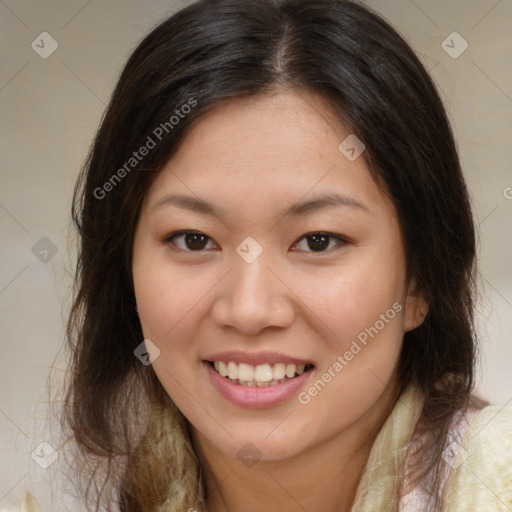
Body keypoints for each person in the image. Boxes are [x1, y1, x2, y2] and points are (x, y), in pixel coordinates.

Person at [17, 0, 512, 511]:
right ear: (125, 271)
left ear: (419, 280)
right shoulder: (53, 497)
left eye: (318, 241)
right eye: (193, 239)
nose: (249, 310)